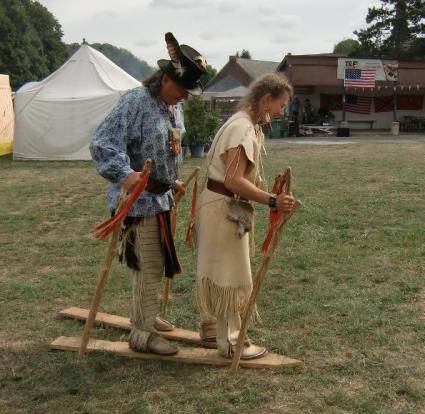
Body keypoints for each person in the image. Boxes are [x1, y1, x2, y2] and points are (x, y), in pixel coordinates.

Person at [89, 32, 208, 355]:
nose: (185, 97)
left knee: (152, 264)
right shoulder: (136, 101)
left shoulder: (172, 108)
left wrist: (172, 182)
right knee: (151, 264)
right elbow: (103, 143)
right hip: (137, 201)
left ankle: (146, 317)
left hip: (160, 198)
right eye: (182, 90)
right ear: (166, 79)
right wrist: (125, 174)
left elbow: (168, 149)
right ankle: (142, 333)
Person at [195, 73, 296, 359]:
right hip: (223, 210)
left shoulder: (243, 124)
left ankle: (213, 328)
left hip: (221, 207)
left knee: (221, 271)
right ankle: (230, 342)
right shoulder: (241, 129)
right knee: (228, 275)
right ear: (266, 100)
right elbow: (233, 180)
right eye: (281, 105)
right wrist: (272, 200)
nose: (282, 112)